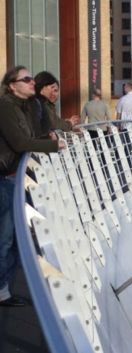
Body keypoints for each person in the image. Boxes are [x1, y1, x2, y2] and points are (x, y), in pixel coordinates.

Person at [0, 66, 65, 307]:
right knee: (7, 236)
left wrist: (48, 138)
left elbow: (33, 135)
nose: (31, 82)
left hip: (17, 177)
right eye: (26, 79)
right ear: (12, 85)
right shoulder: (6, 107)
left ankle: (3, 288)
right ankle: (1, 289)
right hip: (7, 175)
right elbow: (19, 142)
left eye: (31, 79)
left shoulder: (26, 106)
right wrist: (54, 146)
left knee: (17, 236)